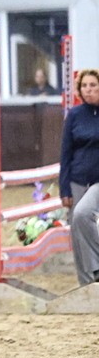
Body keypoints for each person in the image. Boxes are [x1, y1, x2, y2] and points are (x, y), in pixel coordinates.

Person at [60, 68, 99, 287]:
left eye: (93, 85)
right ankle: (87, 287)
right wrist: (64, 188)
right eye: (85, 86)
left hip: (98, 181)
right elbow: (65, 153)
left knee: (84, 215)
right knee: (77, 234)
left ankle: (97, 267)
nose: (88, 90)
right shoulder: (74, 115)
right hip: (76, 178)